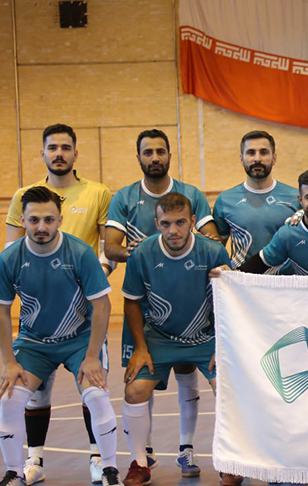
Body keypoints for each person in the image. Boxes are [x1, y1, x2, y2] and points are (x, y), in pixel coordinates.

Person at [104, 128, 219, 476]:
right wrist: (140, 254)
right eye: (148, 152)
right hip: (153, 314)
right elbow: (111, 247)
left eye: (160, 151)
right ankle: (143, 457)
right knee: (139, 384)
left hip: (196, 317)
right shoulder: (125, 199)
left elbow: (211, 239)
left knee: (196, 377)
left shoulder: (192, 195)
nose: (154, 157)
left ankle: (192, 451)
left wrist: (209, 253)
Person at [0, 186, 120, 486]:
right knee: (10, 398)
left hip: (80, 340)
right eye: (34, 220)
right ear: (23, 221)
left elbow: (102, 306)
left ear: (60, 220)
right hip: (35, 343)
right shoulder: (10, 258)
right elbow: (0, 311)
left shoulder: (80, 253)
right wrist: (9, 362)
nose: (41, 227)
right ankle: (14, 473)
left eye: (48, 220)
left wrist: (91, 357)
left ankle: (110, 471)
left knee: (97, 395)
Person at [5, 124, 113, 484]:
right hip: (39, 314)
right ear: (43, 153)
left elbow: (106, 249)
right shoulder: (25, 196)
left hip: (84, 312)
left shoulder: (98, 193)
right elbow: (11, 252)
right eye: (52, 147)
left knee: (91, 385)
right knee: (35, 391)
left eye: (66, 147)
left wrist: (91, 277)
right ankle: (34, 461)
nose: (59, 153)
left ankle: (98, 460)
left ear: (75, 153)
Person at [119, 192, 234, 486]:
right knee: (134, 391)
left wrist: (223, 345)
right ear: (156, 223)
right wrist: (140, 348)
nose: (173, 230)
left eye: (180, 222)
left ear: (193, 221)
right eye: (166, 223)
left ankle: (231, 460)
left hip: (204, 338)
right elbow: (131, 302)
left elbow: (230, 300)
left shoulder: (213, 251)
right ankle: (139, 463)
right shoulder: (143, 254)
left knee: (229, 389)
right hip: (160, 338)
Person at [212, 130, 300, 270]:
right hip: (242, 280)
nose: (257, 158)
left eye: (264, 152)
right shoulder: (225, 200)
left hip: (285, 281)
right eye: (251, 153)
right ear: (241, 159)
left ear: (274, 158)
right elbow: (217, 250)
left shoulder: (296, 198)